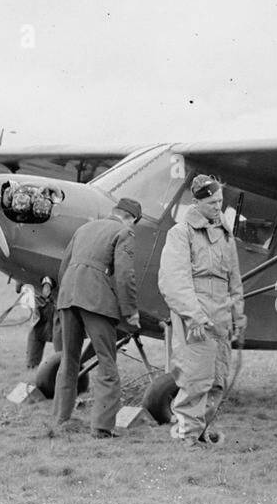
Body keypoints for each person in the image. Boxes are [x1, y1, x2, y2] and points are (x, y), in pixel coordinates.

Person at [157, 174, 246, 445]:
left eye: (220, 201)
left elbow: (235, 281)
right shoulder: (180, 233)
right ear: (197, 203)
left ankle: (201, 433)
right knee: (195, 381)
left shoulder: (225, 237)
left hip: (221, 320)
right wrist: (195, 315)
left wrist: (238, 316)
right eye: (211, 202)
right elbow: (174, 281)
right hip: (195, 320)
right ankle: (185, 439)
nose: (217, 207)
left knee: (217, 381)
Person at [52, 197, 142, 438]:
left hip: (68, 296)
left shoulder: (84, 228)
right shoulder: (124, 232)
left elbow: (63, 267)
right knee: (107, 363)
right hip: (95, 300)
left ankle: (60, 419)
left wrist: (66, 296)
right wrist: (131, 312)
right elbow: (125, 276)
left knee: (69, 361)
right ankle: (101, 428)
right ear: (131, 219)